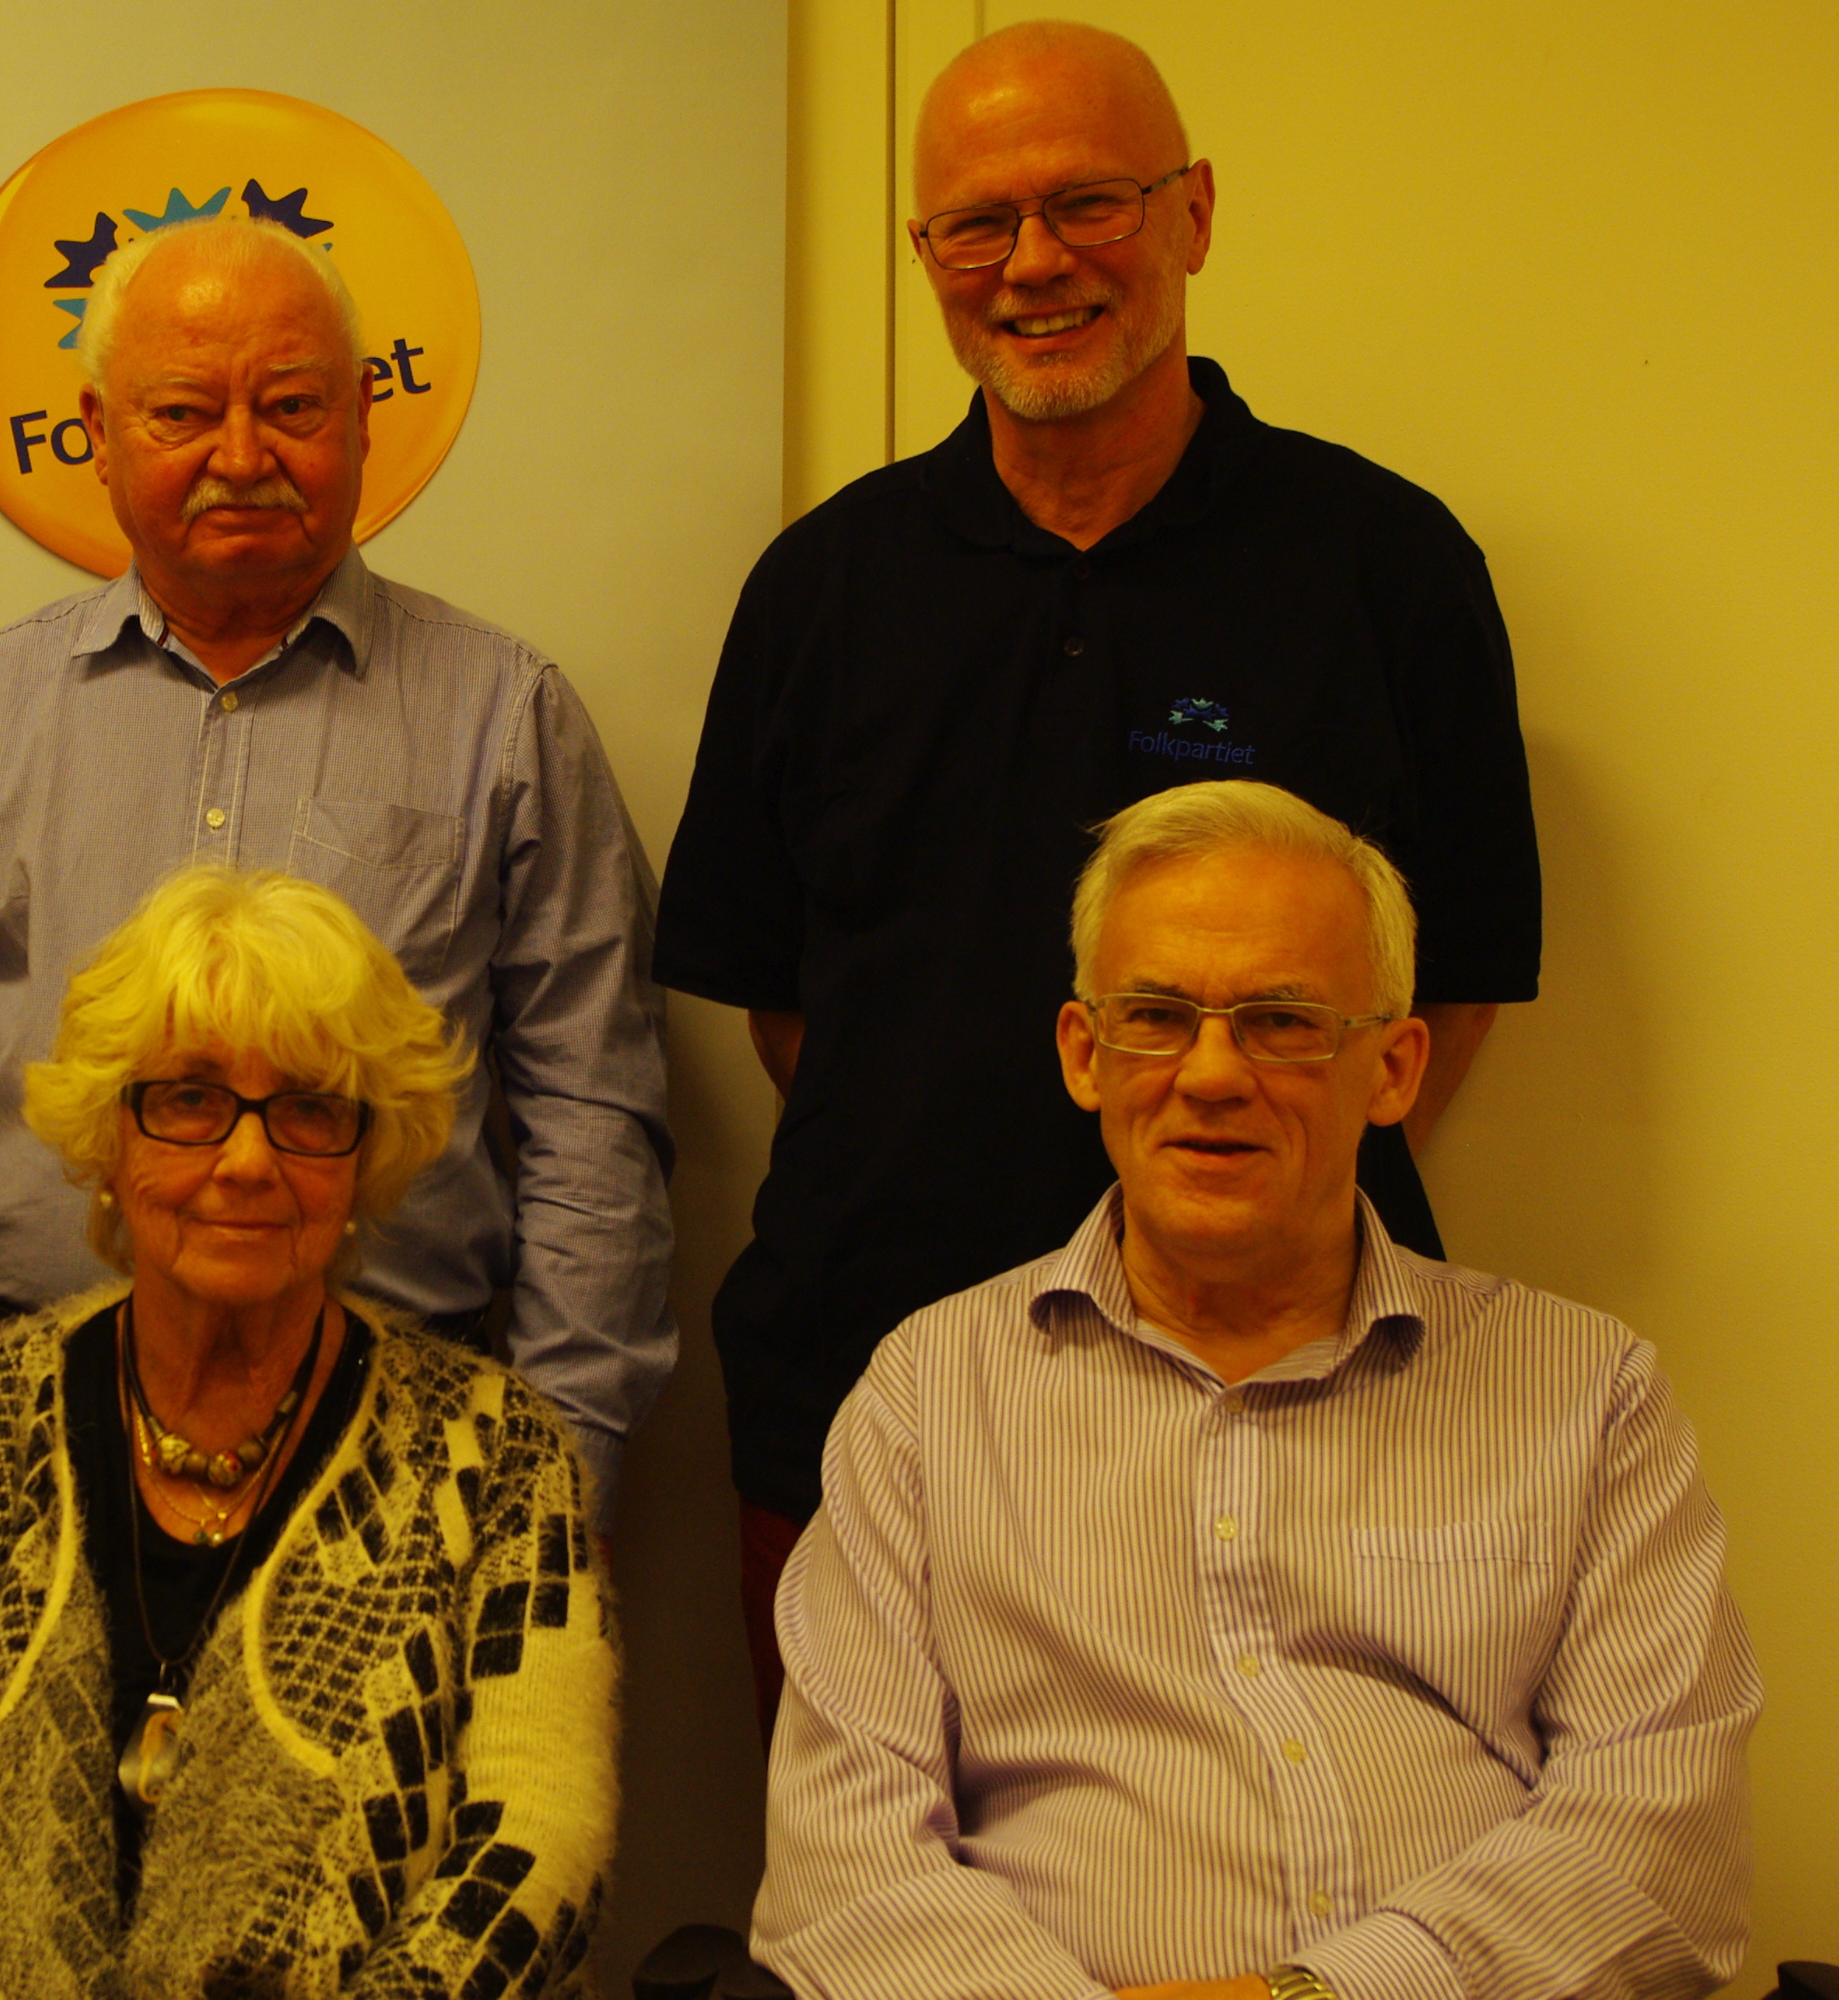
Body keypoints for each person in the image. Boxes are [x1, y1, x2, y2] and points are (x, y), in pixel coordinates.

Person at [654, 20, 1543, 1725]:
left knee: (1255, 1879)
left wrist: (1224, 1220)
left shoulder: (1384, 569)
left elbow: (1449, 989)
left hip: (1286, 1406)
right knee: (870, 1923)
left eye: (1088, 204)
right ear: (924, 258)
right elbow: (786, 1007)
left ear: (1193, 214)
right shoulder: (819, 591)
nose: (1033, 262)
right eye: (975, 225)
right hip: (853, 1386)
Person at [752, 782, 1757, 1999]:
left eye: (1280, 1019)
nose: (1211, 1072)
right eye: (1156, 1015)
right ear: (1083, 1053)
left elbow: (1660, 1845)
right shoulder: (926, 1395)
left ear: (1390, 1066)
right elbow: (843, 1872)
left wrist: (1318, 1996)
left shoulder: (1583, 1393)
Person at [0, 213, 673, 1526]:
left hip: (404, 1455)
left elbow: (594, 1132)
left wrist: (545, 1501)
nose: (243, 456)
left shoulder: (508, 717)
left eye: (291, 406)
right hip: (24, 1446)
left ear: (366, 420)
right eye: (185, 413)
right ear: (98, 433)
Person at [0, 865, 616, 1997]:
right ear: (109, 1132)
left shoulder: (496, 1463)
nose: (247, 1159)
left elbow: (530, 1857)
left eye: (307, 1105)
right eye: (191, 1097)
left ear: (363, 1151)